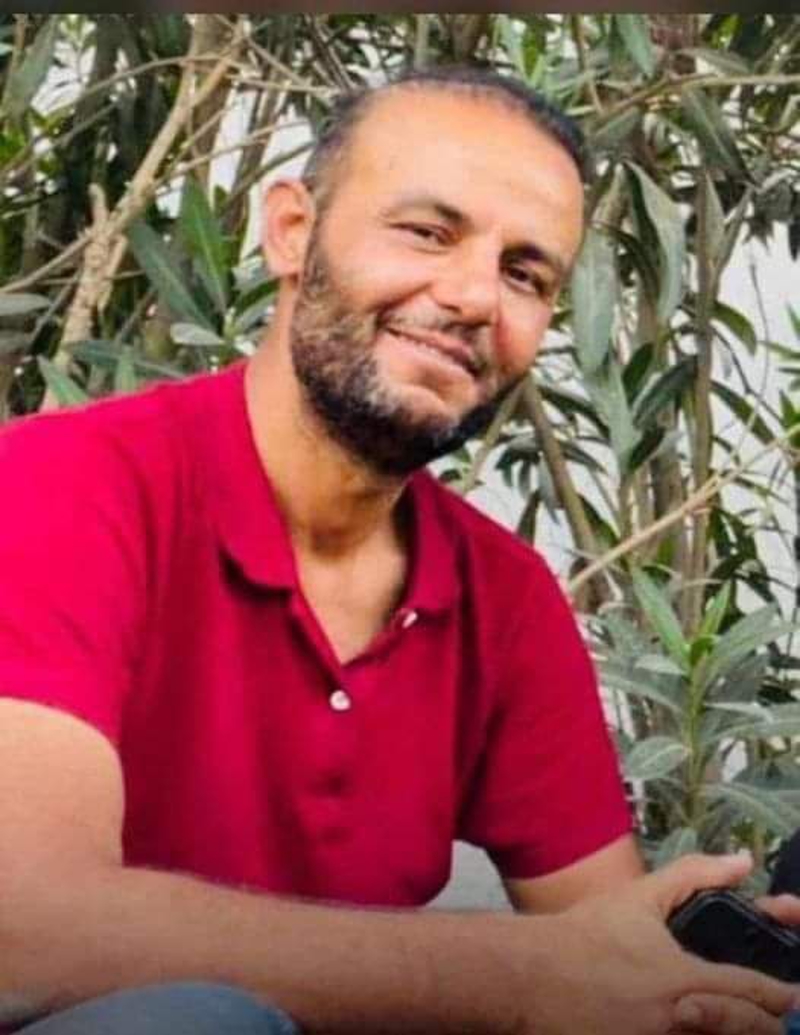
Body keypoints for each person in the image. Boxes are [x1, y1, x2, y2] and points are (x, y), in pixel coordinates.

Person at [0, 66, 797, 1035]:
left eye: (525, 275)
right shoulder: (61, 485)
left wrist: (698, 992)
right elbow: (24, 929)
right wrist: (513, 978)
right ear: (290, 232)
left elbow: (600, 957)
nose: (472, 296)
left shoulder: (502, 595)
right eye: (426, 231)